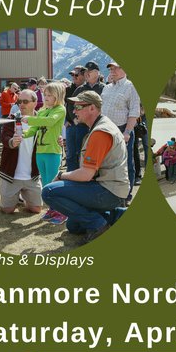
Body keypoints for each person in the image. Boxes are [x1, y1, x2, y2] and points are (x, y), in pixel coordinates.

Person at [42, 91, 129, 244]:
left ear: (92, 108)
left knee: (49, 192)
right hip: (109, 188)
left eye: (78, 106)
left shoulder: (100, 132)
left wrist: (62, 175)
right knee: (73, 226)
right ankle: (117, 216)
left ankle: (98, 225)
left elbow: (86, 175)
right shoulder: (101, 126)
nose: (74, 111)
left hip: (108, 190)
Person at [22, 81, 67, 217]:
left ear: (58, 96)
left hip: (52, 152)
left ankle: (60, 212)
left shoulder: (60, 110)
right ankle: (52, 210)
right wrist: (23, 134)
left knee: (53, 185)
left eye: (49, 95)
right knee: (46, 184)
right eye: (45, 94)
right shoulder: (42, 111)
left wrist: (30, 119)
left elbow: (50, 121)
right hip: (40, 152)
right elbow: (34, 129)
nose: (45, 97)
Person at [0, 89, 42, 214]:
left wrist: (58, 140)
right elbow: (4, 137)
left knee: (36, 210)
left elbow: (48, 137)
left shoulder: (41, 119)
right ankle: (14, 197)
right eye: (19, 102)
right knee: (7, 210)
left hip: (32, 175)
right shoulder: (12, 118)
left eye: (25, 101)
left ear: (35, 103)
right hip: (11, 174)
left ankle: (22, 196)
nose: (21, 104)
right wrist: (11, 142)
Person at [102, 62, 141, 196]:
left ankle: (126, 194)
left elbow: (134, 112)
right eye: (111, 69)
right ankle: (111, 191)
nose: (112, 71)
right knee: (108, 162)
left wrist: (127, 132)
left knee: (125, 164)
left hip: (122, 129)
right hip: (106, 129)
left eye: (116, 68)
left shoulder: (131, 86)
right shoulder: (106, 88)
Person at [64, 66, 88, 172]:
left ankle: (80, 175)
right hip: (71, 125)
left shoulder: (87, 89)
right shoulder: (68, 89)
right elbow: (64, 105)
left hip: (84, 126)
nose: (73, 77)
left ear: (84, 75)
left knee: (81, 152)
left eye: (76, 75)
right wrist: (66, 121)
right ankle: (70, 176)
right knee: (70, 153)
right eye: (72, 75)